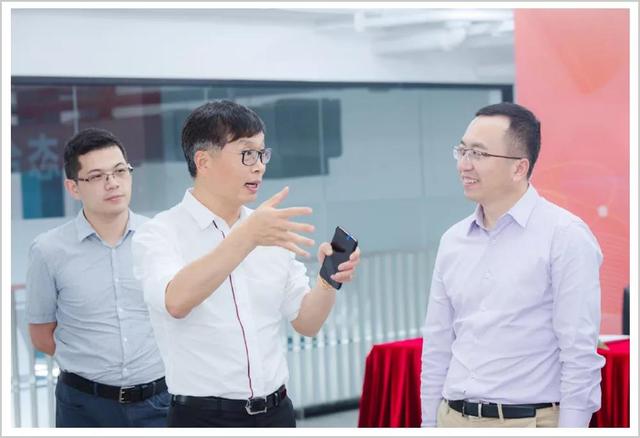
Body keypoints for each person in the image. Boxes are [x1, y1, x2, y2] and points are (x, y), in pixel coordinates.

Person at [132, 100, 360, 427]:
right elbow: (176, 301)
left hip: (276, 412)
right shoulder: (159, 233)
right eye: (247, 154)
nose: (259, 167)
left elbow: (307, 323)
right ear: (203, 161)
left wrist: (328, 279)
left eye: (262, 154)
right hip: (204, 418)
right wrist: (247, 236)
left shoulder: (268, 229)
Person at [420, 102, 605, 428]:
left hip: (526, 422)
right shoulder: (453, 240)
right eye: (462, 151)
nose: (464, 164)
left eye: (478, 153)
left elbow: (579, 355)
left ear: (519, 168)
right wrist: (428, 424)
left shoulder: (565, 236)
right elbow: (437, 345)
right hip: (452, 418)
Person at [26, 128, 169, 427]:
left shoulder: (159, 237)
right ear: (73, 187)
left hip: (159, 401)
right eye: (97, 176)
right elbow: (41, 335)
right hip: (83, 406)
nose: (113, 183)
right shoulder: (48, 250)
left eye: (120, 171)